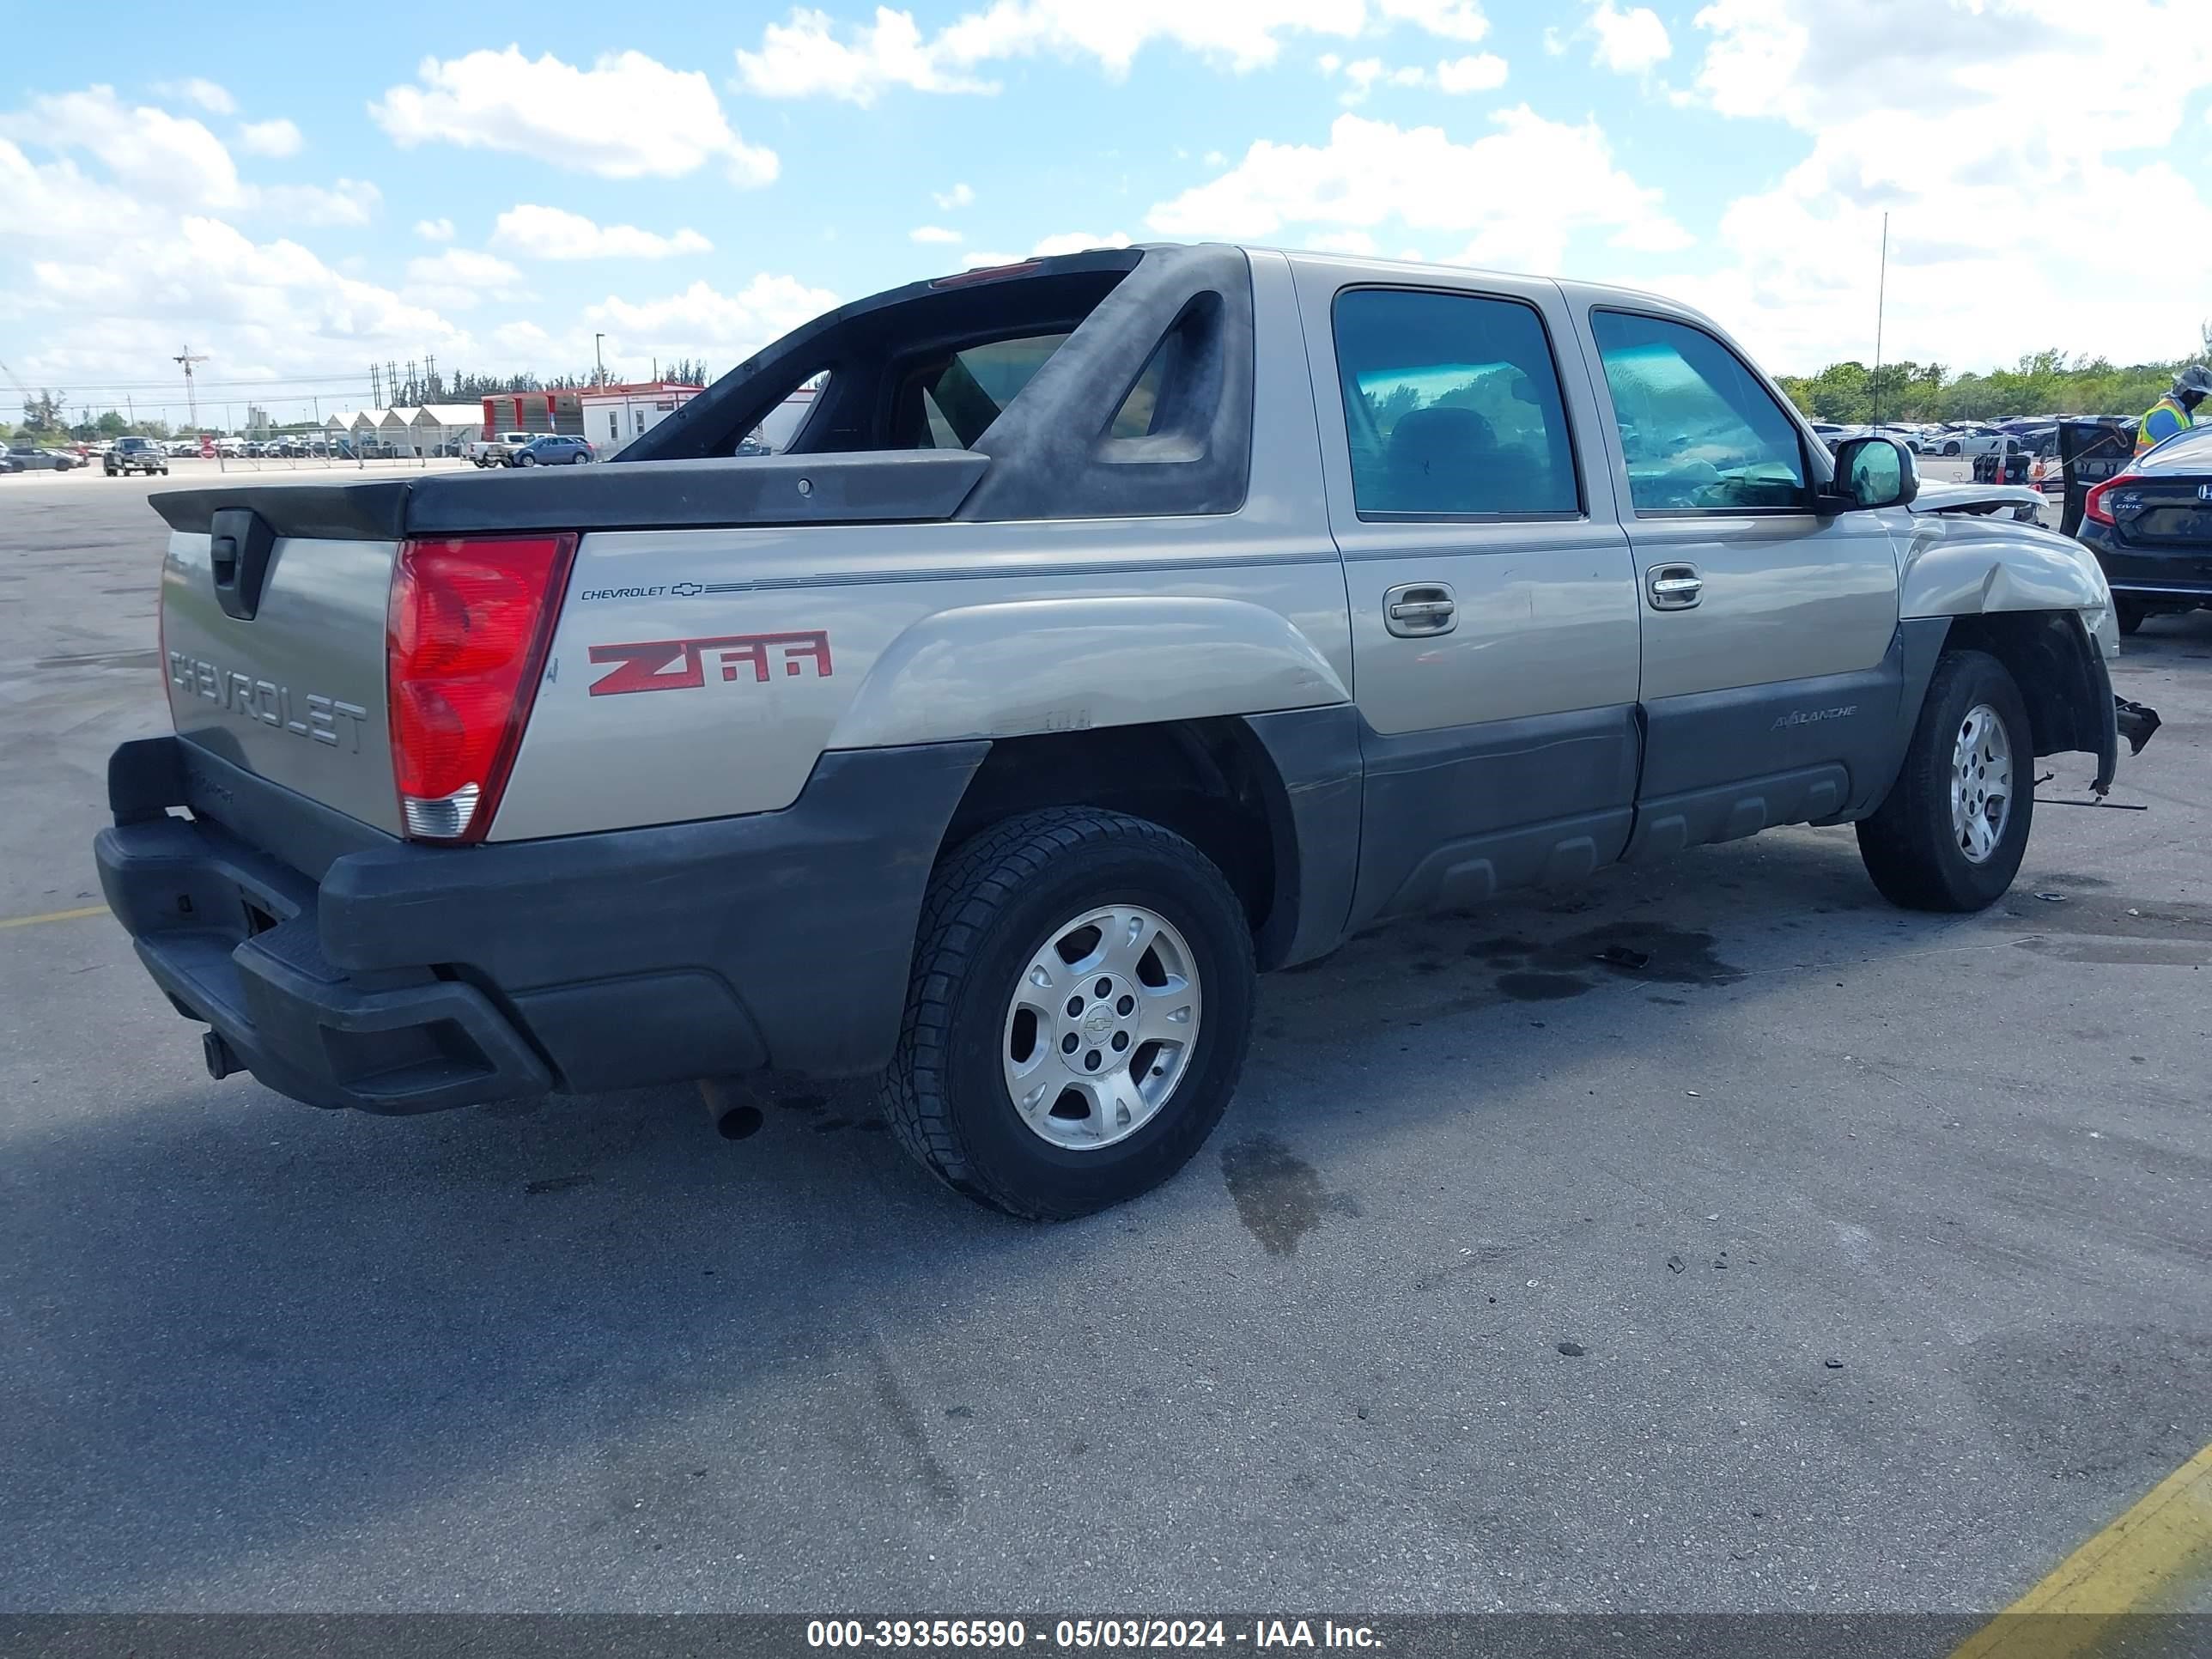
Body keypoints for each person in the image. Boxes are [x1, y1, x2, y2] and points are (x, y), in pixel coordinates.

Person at [2135, 364, 2212, 455]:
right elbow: (2174, 452)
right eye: (2197, 395)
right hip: (2155, 468)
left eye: (2203, 396)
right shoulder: (2164, 416)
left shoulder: (2183, 412)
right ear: (2183, 389)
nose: (2200, 400)